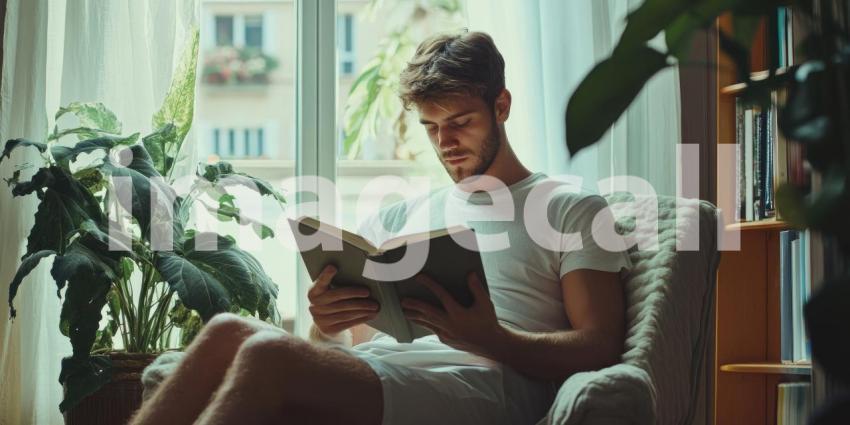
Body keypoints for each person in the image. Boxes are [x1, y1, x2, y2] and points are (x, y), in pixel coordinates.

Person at [130, 31, 631, 425]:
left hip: (482, 384)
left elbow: (600, 344)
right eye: (431, 128)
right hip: (391, 374)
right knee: (225, 332)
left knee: (266, 350)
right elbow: (360, 349)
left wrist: (492, 337)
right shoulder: (397, 219)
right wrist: (328, 322)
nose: (446, 142)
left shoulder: (571, 208)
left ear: (501, 106)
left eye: (461, 122)